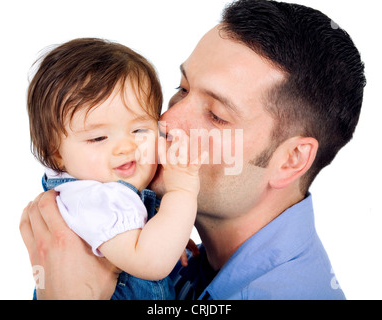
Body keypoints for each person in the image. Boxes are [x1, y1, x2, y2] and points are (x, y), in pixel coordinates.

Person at [20, 0, 366, 300]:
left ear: (290, 160)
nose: (166, 121)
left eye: (216, 115)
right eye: (182, 89)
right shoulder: (186, 258)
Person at [25, 38, 205, 299]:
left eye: (139, 130)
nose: (125, 147)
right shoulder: (97, 199)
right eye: (98, 138)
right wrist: (182, 189)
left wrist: (162, 230)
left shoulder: (95, 197)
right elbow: (151, 263)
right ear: (56, 154)